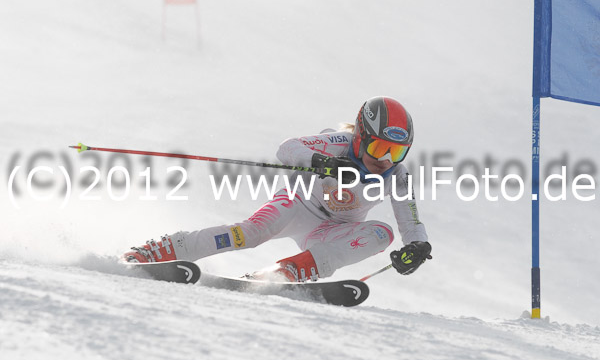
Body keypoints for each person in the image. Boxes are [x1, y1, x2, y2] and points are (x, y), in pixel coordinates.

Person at [122, 96, 432, 281]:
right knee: (251, 233)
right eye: (379, 148)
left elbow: (410, 220)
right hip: (297, 205)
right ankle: (161, 250)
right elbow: (288, 148)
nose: (386, 160)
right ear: (361, 138)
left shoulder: (396, 175)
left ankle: (286, 274)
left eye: (397, 152)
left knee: (381, 233)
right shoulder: (339, 144)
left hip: (333, 231)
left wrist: (417, 246)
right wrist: (322, 162)